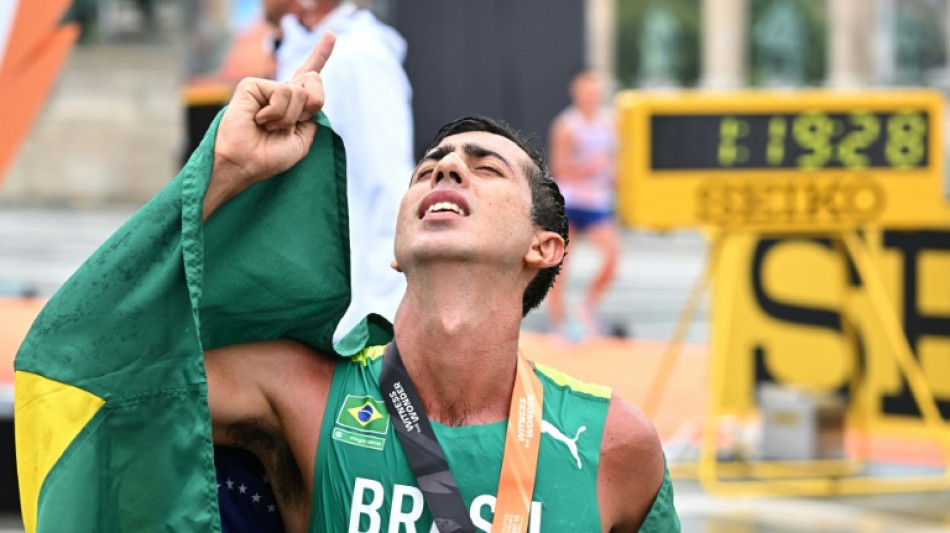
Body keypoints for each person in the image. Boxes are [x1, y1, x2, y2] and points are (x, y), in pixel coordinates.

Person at [198, 34, 678, 532]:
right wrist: (225, 170)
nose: (445, 167)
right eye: (426, 170)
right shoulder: (301, 392)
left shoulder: (615, 443)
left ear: (543, 247)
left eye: (487, 168)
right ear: (396, 249)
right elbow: (142, 374)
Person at [265, 0, 414, 339]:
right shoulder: (294, 50)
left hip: (349, 319)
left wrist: (377, 318)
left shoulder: (362, 57)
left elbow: (391, 190)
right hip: (305, 305)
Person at [546, 68, 621, 341]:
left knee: (612, 257)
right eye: (587, 91)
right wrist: (591, 167)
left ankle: (586, 309)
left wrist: (614, 175)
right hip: (571, 202)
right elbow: (560, 168)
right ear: (576, 93)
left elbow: (614, 163)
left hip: (597, 202)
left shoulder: (609, 123)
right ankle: (559, 324)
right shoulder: (567, 125)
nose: (592, 96)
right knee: (560, 264)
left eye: (595, 91)